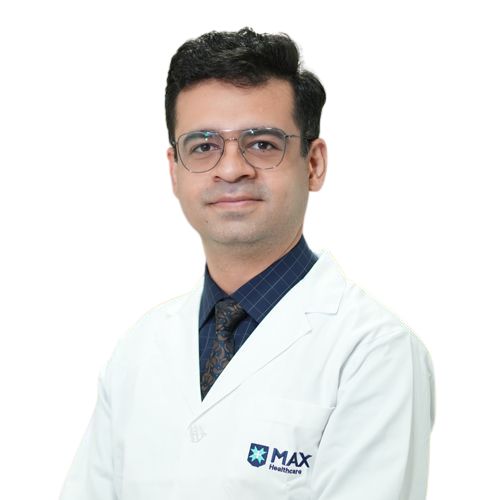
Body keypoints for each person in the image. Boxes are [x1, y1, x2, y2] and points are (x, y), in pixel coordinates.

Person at [60, 27, 435, 500]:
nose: (231, 168)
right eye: (203, 146)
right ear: (175, 171)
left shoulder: (374, 352)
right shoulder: (139, 349)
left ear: (313, 164)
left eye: (262, 144)